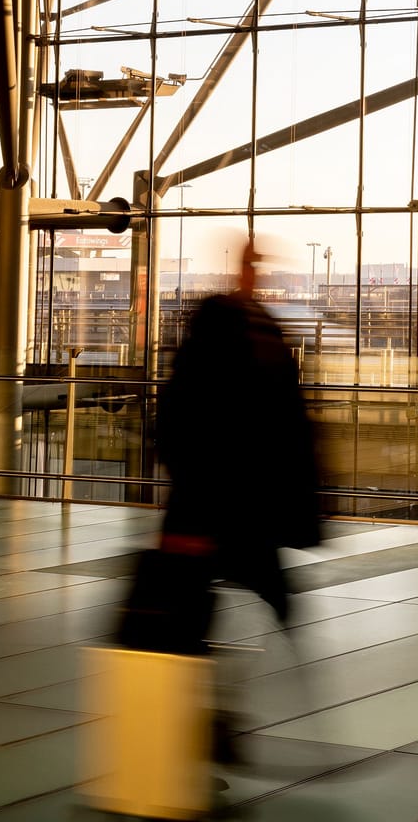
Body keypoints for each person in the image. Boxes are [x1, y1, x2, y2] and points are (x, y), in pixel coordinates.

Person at [153, 237, 321, 630]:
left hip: (203, 491)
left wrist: (175, 460)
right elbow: (290, 419)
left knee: (184, 581)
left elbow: (175, 408)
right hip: (246, 492)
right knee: (263, 577)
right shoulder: (264, 334)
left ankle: (182, 654)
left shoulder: (215, 332)